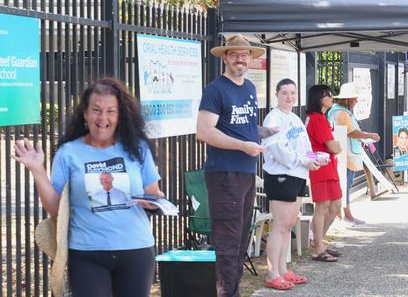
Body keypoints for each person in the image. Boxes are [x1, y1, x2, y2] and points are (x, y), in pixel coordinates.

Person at [12, 78, 163, 297]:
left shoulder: (137, 148)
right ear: (85, 113)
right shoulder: (68, 152)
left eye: (111, 111)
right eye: (96, 110)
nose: (103, 118)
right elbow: (56, 210)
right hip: (86, 254)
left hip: (136, 251)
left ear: (121, 115)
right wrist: (37, 170)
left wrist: (155, 202)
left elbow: (153, 193)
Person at [196, 34, 275, 297]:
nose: (240, 59)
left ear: (250, 59)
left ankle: (233, 291)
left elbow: (245, 128)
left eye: (245, 55)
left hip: (246, 172)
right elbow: (205, 132)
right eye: (235, 54)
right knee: (228, 241)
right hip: (224, 173)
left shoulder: (250, 88)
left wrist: (265, 132)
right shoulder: (215, 89)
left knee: (241, 239)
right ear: (225, 58)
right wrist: (242, 146)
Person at [261, 78, 320, 290]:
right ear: (277, 95)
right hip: (280, 176)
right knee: (280, 225)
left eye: (293, 93)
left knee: (288, 225)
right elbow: (279, 151)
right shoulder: (273, 119)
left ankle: (284, 270)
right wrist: (304, 160)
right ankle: (272, 273)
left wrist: (315, 158)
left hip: (298, 175)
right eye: (285, 92)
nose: (289, 97)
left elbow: (305, 145)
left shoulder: (295, 118)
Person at [328, 82, 380, 226]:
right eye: (355, 99)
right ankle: (345, 215)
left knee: (344, 185)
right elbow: (351, 132)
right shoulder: (342, 113)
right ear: (348, 99)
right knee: (345, 185)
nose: (357, 101)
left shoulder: (337, 111)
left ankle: (342, 215)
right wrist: (369, 135)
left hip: (343, 153)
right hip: (345, 155)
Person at [305, 84, 343, 262]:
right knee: (323, 207)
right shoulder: (316, 119)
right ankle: (319, 248)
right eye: (328, 95)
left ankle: (318, 240)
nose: (331, 98)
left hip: (328, 165)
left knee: (335, 206)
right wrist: (335, 147)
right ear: (319, 98)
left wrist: (335, 147)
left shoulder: (321, 117)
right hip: (321, 166)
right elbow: (332, 146)